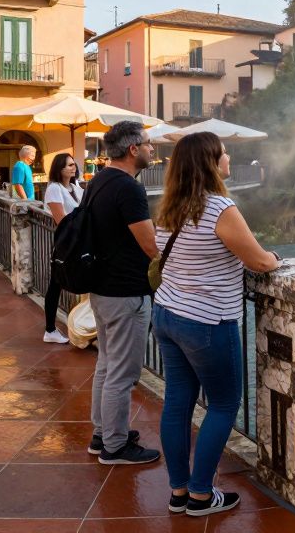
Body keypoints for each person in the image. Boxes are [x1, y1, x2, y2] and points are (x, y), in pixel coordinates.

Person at [153, 132, 279, 517]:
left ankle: (178, 492)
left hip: (167, 314)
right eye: (224, 154)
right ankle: (201, 495)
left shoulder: (168, 209)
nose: (229, 159)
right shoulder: (220, 208)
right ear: (212, 163)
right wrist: (274, 257)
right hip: (208, 321)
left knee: (177, 403)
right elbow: (259, 262)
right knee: (224, 404)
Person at [86, 121, 161, 464]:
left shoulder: (98, 181)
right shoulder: (129, 188)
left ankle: (102, 435)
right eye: (148, 144)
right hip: (126, 292)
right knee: (122, 372)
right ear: (133, 149)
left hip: (102, 289)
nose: (151, 149)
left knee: (106, 364)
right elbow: (150, 245)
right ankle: (115, 447)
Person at [41, 153, 84, 344]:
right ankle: (50, 329)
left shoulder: (76, 188)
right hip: (65, 243)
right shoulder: (54, 189)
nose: (72, 168)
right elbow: (61, 220)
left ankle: (85, 327)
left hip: (79, 242)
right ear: (59, 168)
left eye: (74, 164)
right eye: (68, 165)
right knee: (56, 283)